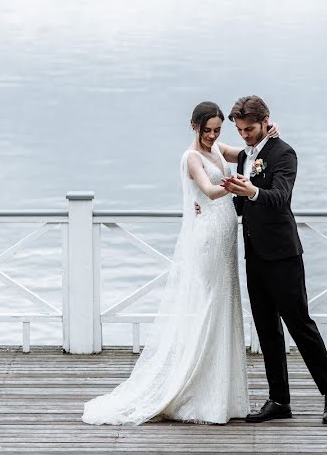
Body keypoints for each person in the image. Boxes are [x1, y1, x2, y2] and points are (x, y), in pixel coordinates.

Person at [81, 101, 277, 425]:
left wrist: (269, 134)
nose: (213, 136)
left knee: (224, 307)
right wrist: (233, 187)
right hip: (209, 238)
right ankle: (197, 390)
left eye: (217, 130)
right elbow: (209, 190)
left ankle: (221, 394)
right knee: (211, 306)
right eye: (207, 130)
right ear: (194, 126)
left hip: (226, 236)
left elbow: (246, 152)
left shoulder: (217, 149)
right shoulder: (191, 157)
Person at [221, 95, 327, 424]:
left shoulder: (284, 153)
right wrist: (221, 196)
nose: (245, 135)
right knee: (266, 329)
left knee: (300, 325)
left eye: (250, 129)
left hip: (283, 255)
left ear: (266, 122)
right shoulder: (245, 157)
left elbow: (280, 197)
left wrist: (251, 192)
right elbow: (239, 204)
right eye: (241, 130)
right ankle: (279, 400)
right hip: (254, 255)